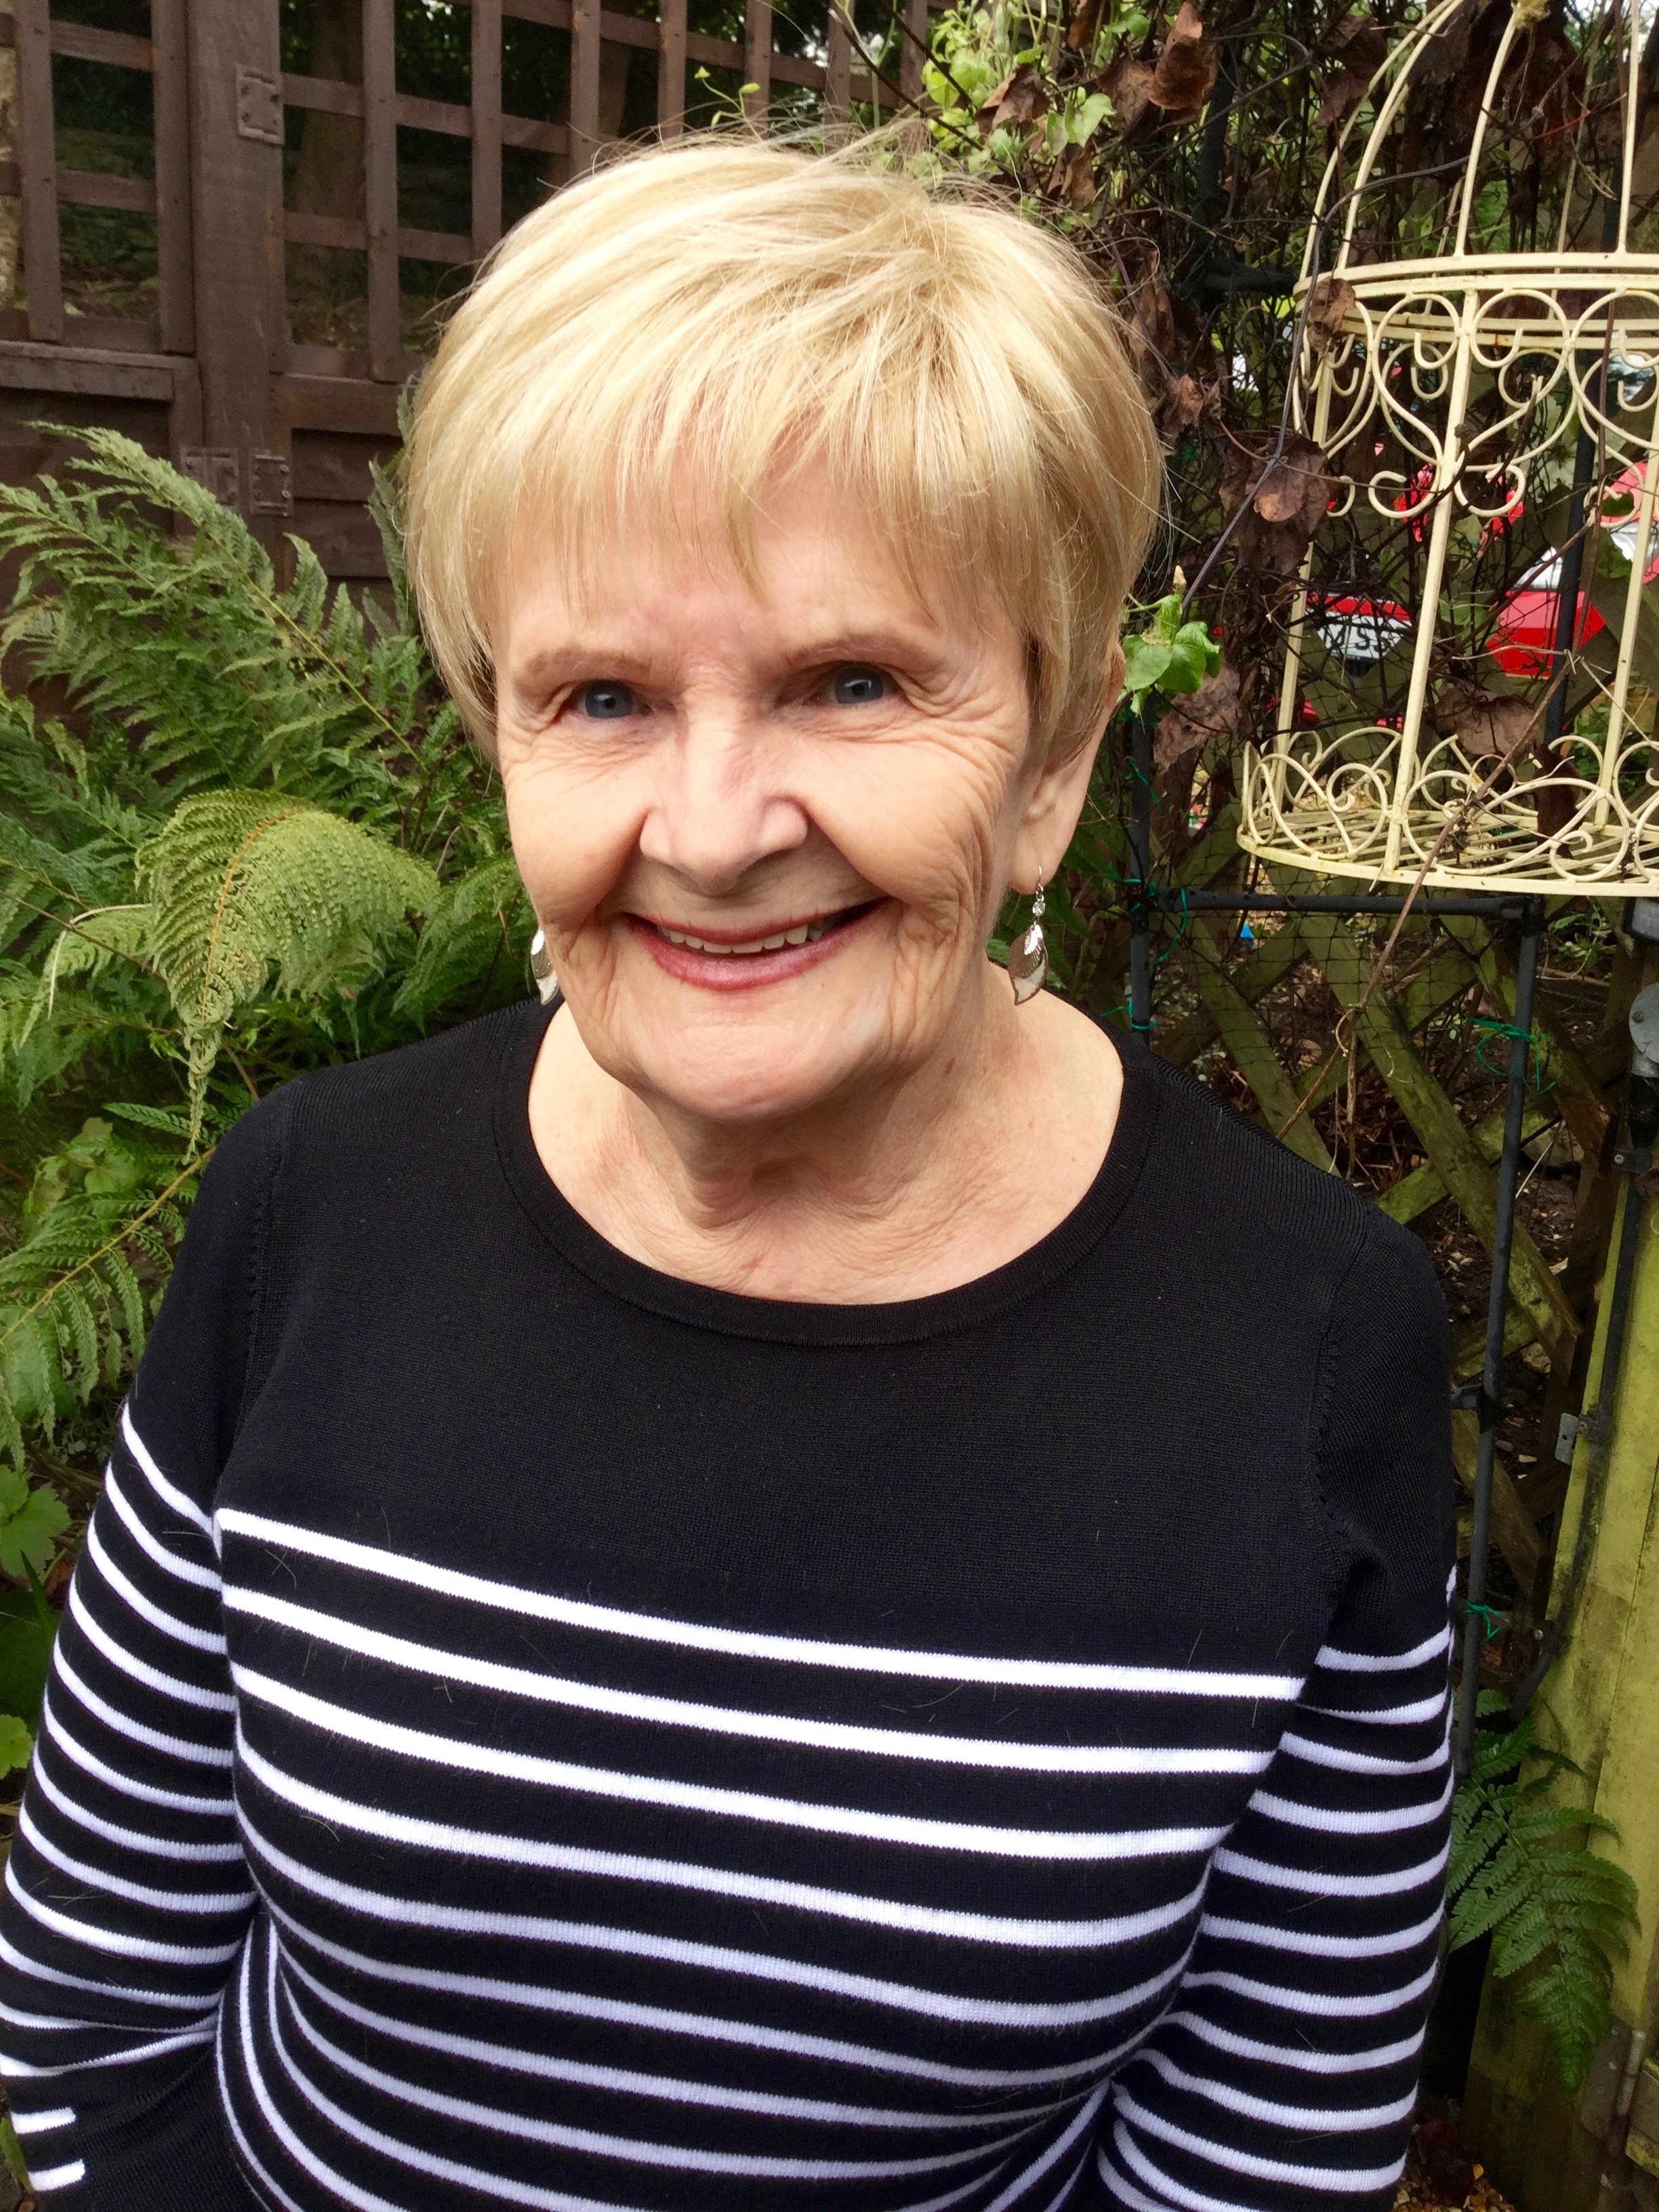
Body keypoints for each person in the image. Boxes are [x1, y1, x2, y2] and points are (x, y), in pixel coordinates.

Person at [0, 139, 1453, 2212]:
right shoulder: (307, 1211)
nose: (708, 826)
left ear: (1051, 760)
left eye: (851, 683)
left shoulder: (1306, 1343)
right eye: (600, 698)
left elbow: (1262, 2145)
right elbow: (103, 1989)